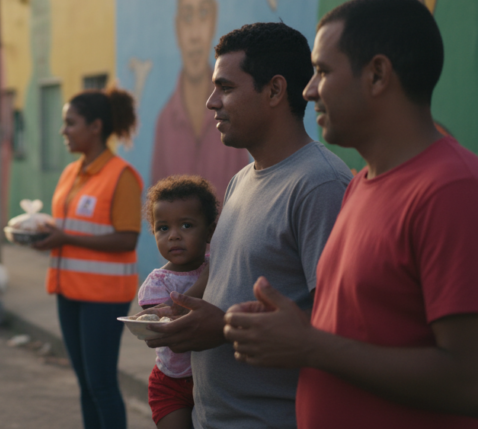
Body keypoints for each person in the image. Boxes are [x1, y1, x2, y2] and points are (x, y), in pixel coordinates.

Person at [221, 0, 478, 427]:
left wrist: (309, 345)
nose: (308, 90)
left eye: (322, 71)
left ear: (377, 74)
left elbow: (468, 380)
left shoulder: (451, 189)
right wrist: (285, 328)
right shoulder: (362, 182)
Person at [143, 22, 352, 429]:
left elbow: (340, 329)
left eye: (226, 87)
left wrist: (221, 328)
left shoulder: (319, 185)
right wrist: (181, 312)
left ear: (275, 91)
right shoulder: (243, 178)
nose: (211, 102)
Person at [31, 86, 143, 429]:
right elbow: (71, 227)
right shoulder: (71, 172)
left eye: (70, 123)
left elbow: (127, 238)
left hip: (104, 297)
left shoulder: (121, 175)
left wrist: (65, 237)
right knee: (85, 385)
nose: (63, 130)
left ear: (95, 127)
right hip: (69, 290)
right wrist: (44, 234)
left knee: (102, 384)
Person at [152, 0, 248, 195]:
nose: (195, 34)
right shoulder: (164, 123)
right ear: (176, 28)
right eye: (187, 16)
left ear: (214, 19)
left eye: (203, 13)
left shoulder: (235, 113)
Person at [137, 176, 217, 429]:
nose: (173, 236)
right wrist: (207, 278)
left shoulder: (222, 264)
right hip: (169, 384)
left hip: (215, 380)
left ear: (210, 231)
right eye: (163, 228)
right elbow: (174, 318)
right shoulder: (158, 282)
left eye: (186, 225)